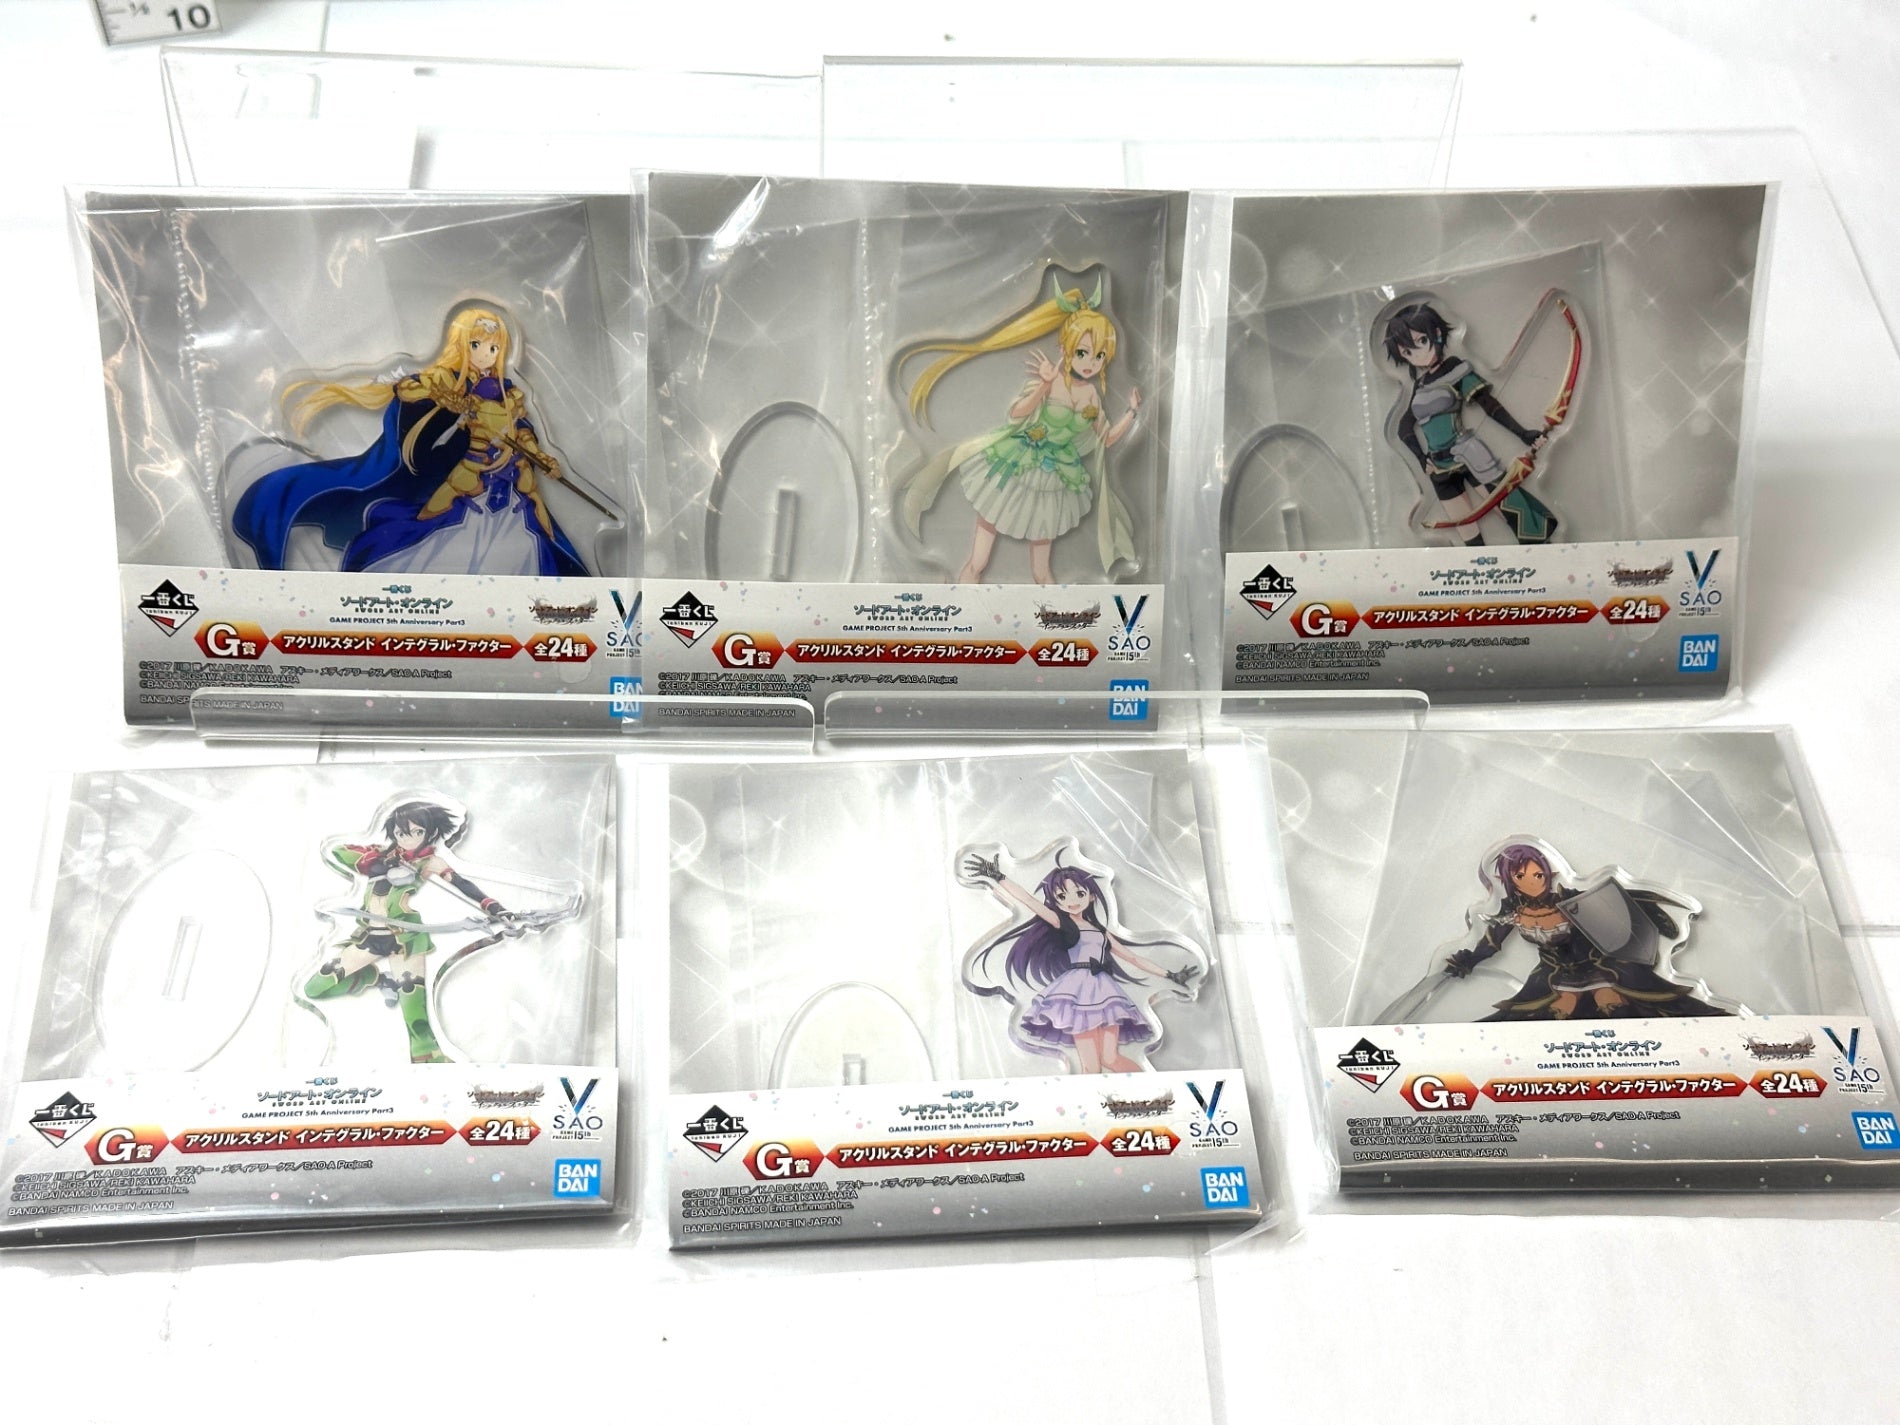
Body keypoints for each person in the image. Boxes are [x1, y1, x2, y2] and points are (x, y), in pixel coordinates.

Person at [232, 306, 588, 576]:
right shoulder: (444, 382)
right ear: (462, 345)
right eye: (477, 345)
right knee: (441, 535)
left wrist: (543, 459)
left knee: (531, 539)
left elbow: (523, 431)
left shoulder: (509, 394)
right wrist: (451, 410)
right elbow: (411, 400)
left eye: (494, 348)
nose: (485, 355)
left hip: (510, 484)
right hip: (467, 478)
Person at [896, 275, 1140, 583]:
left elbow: (1107, 439)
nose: (1091, 362)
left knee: (1042, 570)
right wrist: (1044, 386)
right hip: (1018, 463)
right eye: (1083, 352)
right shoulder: (1052, 381)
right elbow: (1016, 413)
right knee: (979, 559)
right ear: (1066, 348)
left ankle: (1051, 610)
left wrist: (1132, 412)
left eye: (1099, 355)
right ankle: (963, 599)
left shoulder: (1091, 395)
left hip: (1056, 477)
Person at [962, 848, 1199, 1073]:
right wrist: (999, 877)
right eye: (1062, 896)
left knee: (1111, 1058)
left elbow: (1133, 958)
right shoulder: (1061, 923)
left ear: (1091, 896)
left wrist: (1170, 975)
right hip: (1076, 993)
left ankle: (1152, 1090)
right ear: (1056, 901)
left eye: (1079, 893)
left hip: (1105, 992)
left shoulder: (1102, 932)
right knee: (1091, 1066)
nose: (1072, 900)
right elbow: (1029, 901)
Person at [1443, 842, 1729, 1021]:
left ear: (1547, 873)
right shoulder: (1513, 912)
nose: (1532, 882)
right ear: (1509, 879)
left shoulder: (1571, 901)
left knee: (1613, 1004)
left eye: (1538, 874)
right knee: (1555, 1013)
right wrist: (1466, 960)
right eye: (1521, 876)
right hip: (1555, 977)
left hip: (1602, 969)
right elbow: (1491, 943)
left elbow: (1614, 923)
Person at [1383, 301, 1559, 546]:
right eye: (1407, 352)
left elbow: (1488, 404)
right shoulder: (1419, 385)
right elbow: (1404, 428)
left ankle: (1540, 555)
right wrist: (1422, 458)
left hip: (1469, 454)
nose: (1417, 354)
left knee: (1512, 510)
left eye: (1421, 341)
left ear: (1436, 334)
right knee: (1467, 534)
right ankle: (1483, 570)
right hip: (1439, 467)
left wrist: (1523, 433)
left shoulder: (1455, 368)